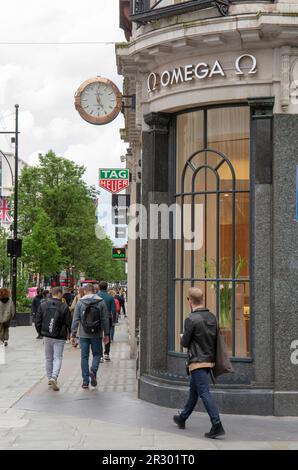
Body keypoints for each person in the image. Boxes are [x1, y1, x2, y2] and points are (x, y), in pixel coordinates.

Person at [173, 287, 225, 439]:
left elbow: (185, 342)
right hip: (209, 360)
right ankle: (182, 418)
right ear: (202, 300)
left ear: (189, 301)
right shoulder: (212, 317)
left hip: (197, 361)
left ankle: (217, 424)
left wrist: (181, 336)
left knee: (203, 392)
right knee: (194, 391)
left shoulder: (191, 319)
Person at [71, 284, 110, 389]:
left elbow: (75, 319)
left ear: (84, 291)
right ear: (95, 291)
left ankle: (85, 382)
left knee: (84, 357)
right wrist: (106, 334)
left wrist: (73, 334)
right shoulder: (101, 302)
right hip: (97, 334)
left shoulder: (80, 302)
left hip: (84, 334)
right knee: (97, 354)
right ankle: (93, 370)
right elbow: (105, 319)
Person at [35, 287, 72, 391]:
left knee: (48, 358)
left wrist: (41, 332)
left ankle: (49, 377)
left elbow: (37, 321)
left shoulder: (43, 305)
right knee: (58, 357)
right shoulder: (64, 306)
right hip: (59, 336)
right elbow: (69, 322)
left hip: (47, 335)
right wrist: (71, 334)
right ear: (59, 293)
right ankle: (54, 377)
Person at [97, 281, 116, 361]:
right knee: (107, 335)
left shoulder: (96, 296)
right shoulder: (110, 297)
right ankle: (106, 354)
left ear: (99, 287)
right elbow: (113, 310)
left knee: (98, 336)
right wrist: (114, 320)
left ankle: (100, 355)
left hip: (97, 319)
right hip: (107, 318)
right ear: (107, 287)